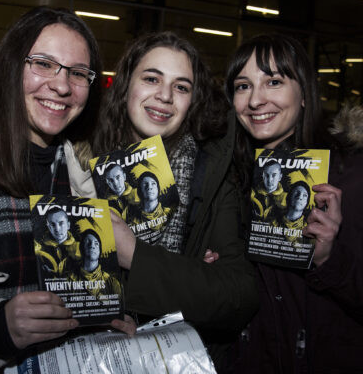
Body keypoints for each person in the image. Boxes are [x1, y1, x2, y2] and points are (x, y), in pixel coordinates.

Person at [0, 6, 134, 373]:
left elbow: (83, 290)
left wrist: (105, 317)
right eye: (43, 63)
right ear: (11, 65)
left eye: (78, 73)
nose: (62, 85)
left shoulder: (85, 175)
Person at [78, 31, 258, 371]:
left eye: (181, 87)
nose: (164, 96)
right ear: (126, 84)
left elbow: (239, 298)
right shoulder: (75, 162)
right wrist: (191, 276)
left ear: (193, 101)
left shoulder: (213, 175)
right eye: (151, 79)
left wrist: (136, 256)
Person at [224, 33, 363, 373]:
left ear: (304, 93)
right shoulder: (230, 178)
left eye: (273, 82)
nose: (256, 100)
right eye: (243, 86)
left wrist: (330, 258)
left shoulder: (352, 176)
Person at [69, 229, 122, 300]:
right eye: (88, 242)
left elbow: (119, 307)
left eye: (96, 243)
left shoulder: (112, 282)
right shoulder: (70, 280)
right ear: (81, 248)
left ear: (100, 250)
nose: (92, 246)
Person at [34, 208, 80, 277]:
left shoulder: (80, 248)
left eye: (61, 223)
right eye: (53, 225)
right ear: (48, 227)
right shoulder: (39, 249)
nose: (57, 229)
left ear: (68, 225)